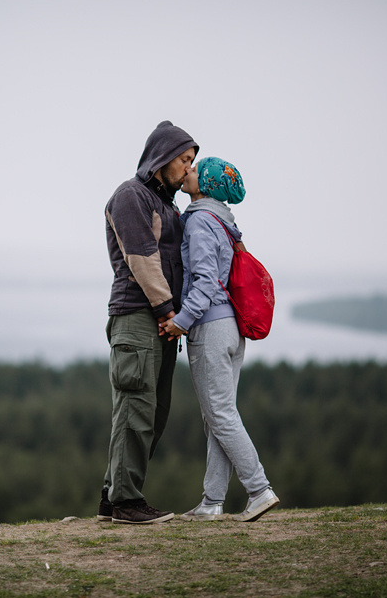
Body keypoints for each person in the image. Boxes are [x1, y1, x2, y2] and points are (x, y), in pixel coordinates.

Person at [160, 157, 280, 522]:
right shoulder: (223, 222)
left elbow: (205, 281)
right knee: (219, 416)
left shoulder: (199, 221)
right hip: (230, 329)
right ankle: (212, 502)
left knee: (221, 415)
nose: (188, 171)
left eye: (196, 170)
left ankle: (259, 489)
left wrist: (180, 322)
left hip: (210, 328)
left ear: (207, 185)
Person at [98, 121, 199, 525]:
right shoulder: (131, 195)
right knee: (136, 408)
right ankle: (126, 501)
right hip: (139, 316)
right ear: (162, 157)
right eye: (184, 159)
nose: (189, 167)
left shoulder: (166, 204)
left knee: (153, 413)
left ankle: (113, 497)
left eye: (192, 160)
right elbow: (142, 258)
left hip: (160, 319)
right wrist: (169, 312)